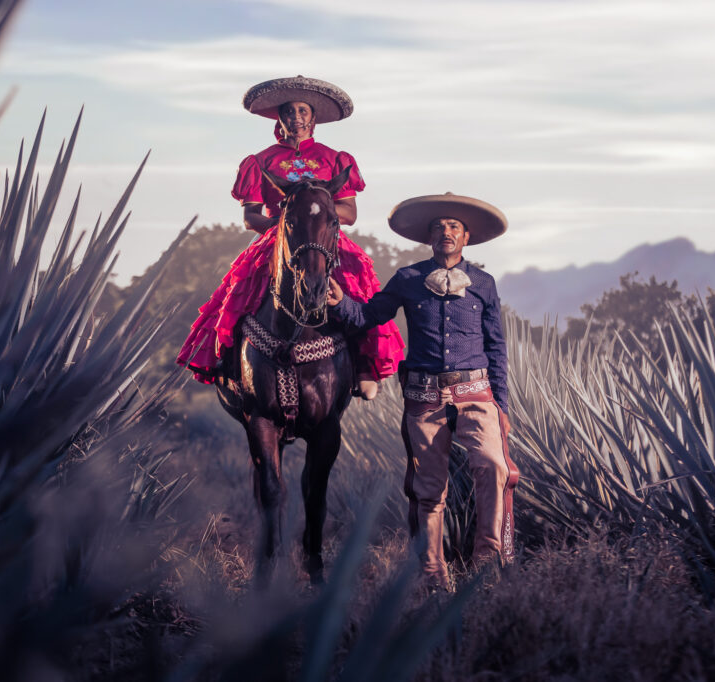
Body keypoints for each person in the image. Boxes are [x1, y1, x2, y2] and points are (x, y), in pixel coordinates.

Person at [326, 193, 519, 590]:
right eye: (438, 227)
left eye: (453, 227)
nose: (445, 232)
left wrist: (499, 404)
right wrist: (341, 302)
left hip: (477, 395)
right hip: (425, 399)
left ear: (466, 238)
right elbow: (368, 316)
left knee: (493, 467)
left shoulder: (484, 283)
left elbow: (496, 345)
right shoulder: (408, 280)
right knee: (428, 489)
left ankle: (487, 564)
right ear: (428, 237)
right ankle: (432, 577)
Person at [176, 76, 404, 398]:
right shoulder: (260, 161)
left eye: (302, 111)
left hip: (325, 236)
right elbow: (250, 216)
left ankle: (364, 363)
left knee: (356, 281)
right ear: (279, 117)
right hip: (279, 237)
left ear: (313, 117)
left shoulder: (335, 159)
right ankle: (227, 363)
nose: (296, 117)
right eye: (289, 111)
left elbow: (349, 213)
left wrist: (315, 215)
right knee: (239, 290)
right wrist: (285, 222)